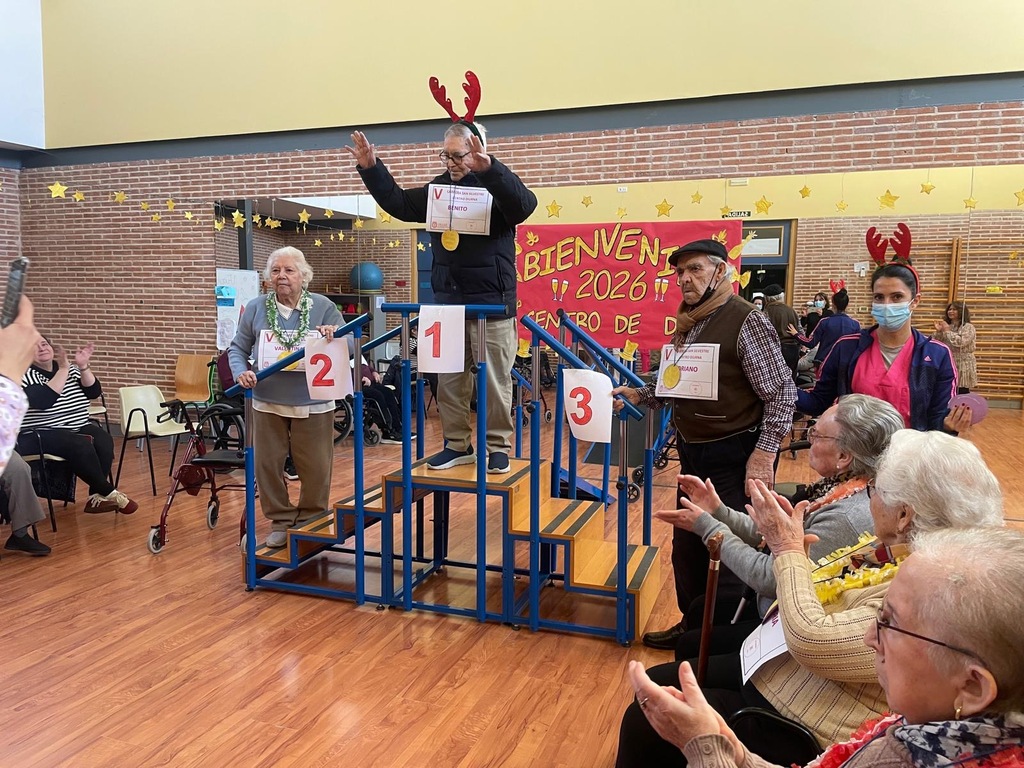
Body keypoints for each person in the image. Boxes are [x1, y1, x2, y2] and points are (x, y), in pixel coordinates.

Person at [615, 430, 1004, 766]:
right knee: (673, 668)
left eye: (877, 490)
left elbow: (810, 632)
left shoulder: (926, 582)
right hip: (788, 669)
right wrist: (730, 519)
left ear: (904, 515)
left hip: (805, 709)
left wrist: (778, 545)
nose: (869, 496)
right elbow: (801, 573)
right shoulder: (885, 541)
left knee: (646, 711)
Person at [626, 525, 1024, 768]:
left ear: (972, 687)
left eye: (889, 624)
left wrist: (705, 749)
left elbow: (812, 635)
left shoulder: (903, 758)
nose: (870, 637)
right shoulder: (927, 734)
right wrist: (732, 750)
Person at [612, 239, 796, 650]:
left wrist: (764, 454)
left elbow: (782, 393)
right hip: (694, 452)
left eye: (695, 269)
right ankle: (693, 625)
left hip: (735, 454)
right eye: (679, 272)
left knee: (727, 548)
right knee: (688, 547)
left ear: (720, 272)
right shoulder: (690, 322)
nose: (685, 279)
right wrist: (642, 393)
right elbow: (680, 377)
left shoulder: (746, 319)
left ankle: (726, 641)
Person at [346, 119, 537, 474]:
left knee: (495, 381)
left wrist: (491, 170)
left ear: (477, 150)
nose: (451, 162)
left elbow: (525, 205)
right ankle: (457, 444)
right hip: (448, 304)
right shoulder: (437, 190)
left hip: (492, 305)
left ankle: (498, 446)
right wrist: (372, 169)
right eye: (446, 155)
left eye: (458, 155)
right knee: (449, 380)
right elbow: (400, 204)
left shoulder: (495, 190)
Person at [653, 394, 903, 661]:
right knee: (699, 610)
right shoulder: (842, 488)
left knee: (691, 644)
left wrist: (708, 527)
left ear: (844, 456)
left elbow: (772, 578)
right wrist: (718, 511)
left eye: (817, 435)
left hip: (787, 628)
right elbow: (774, 537)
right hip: (776, 609)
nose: (809, 439)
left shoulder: (847, 516)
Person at [229, 247, 342, 549]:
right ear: (267, 278)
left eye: (289, 270)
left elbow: (351, 345)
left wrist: (335, 337)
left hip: (314, 401)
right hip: (266, 400)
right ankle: (280, 519)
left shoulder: (323, 306)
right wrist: (241, 372)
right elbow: (237, 349)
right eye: (276, 271)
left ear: (304, 276)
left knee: (316, 466)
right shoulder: (255, 307)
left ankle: (312, 520)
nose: (282, 276)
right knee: (267, 465)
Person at [797, 260, 958, 431]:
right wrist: (777, 386)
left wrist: (949, 426)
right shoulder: (847, 347)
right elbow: (818, 402)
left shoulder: (936, 355)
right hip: (854, 453)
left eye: (897, 297)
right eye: (879, 297)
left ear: (915, 301)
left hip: (909, 454)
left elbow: (938, 419)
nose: (886, 304)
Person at [17, 335, 138, 515]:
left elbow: (93, 392)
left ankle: (95, 497)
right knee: (79, 444)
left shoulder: (71, 370)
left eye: (45, 344)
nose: (42, 348)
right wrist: (64, 369)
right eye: (35, 346)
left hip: (77, 424)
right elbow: (43, 400)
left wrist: (83, 367)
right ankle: (108, 491)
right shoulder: (24, 375)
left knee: (103, 440)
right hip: (38, 433)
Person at [1, 296, 41, 474]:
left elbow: (93, 391)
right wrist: (10, 373)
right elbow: (43, 400)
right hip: (41, 430)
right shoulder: (29, 374)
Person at [788, 287, 861, 374]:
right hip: (846, 364)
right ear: (847, 305)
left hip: (825, 362)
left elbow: (811, 342)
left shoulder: (825, 322)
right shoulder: (855, 324)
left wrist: (796, 334)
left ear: (833, 304)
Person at [934, 300, 977, 394]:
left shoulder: (968, 327)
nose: (951, 311)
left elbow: (961, 342)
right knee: (948, 387)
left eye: (954, 309)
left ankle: (961, 407)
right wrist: (939, 331)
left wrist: (947, 331)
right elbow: (937, 342)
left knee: (961, 388)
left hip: (963, 362)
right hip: (949, 360)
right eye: (950, 309)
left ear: (961, 311)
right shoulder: (948, 326)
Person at [760, 284, 801, 377]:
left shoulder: (767, 311)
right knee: (791, 381)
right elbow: (800, 330)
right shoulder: (791, 310)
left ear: (767, 298)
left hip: (777, 350)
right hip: (793, 349)